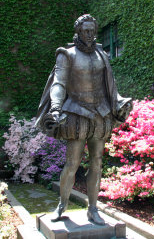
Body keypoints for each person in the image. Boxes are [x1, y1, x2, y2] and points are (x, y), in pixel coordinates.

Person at [36, 14, 132, 225]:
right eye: (85, 30)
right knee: (72, 163)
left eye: (92, 30)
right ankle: (62, 204)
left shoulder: (102, 55)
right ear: (78, 31)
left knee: (97, 162)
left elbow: (110, 84)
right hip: (76, 114)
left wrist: (119, 102)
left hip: (101, 114)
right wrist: (55, 107)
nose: (89, 34)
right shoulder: (67, 54)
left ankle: (93, 208)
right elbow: (59, 84)